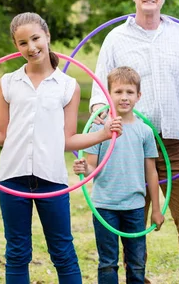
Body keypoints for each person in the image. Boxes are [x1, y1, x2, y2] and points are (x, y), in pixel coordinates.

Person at [0, 12, 122, 284]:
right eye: (22, 43)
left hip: (51, 178)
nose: (31, 47)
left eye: (35, 38)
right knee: (17, 253)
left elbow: (67, 140)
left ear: (47, 36)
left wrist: (103, 134)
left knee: (63, 252)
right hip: (12, 176)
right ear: (15, 46)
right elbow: (1, 133)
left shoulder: (68, 86)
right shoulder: (7, 83)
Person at [89, 0, 179, 275]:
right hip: (130, 145)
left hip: (175, 144)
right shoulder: (116, 38)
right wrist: (101, 113)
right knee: (131, 223)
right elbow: (100, 86)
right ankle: (137, 279)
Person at [74, 66, 164, 284]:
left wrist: (156, 209)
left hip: (134, 206)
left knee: (136, 263)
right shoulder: (98, 131)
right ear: (108, 94)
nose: (124, 97)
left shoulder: (144, 131)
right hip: (104, 206)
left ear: (138, 96)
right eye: (118, 92)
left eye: (130, 92)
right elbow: (92, 166)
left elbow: (151, 172)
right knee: (107, 262)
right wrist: (83, 168)